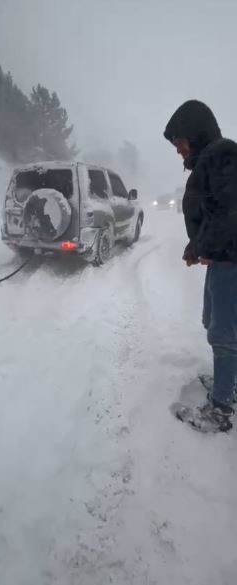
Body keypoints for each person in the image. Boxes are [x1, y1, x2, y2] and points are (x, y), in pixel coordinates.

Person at [164, 100, 237, 432]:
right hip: (222, 258)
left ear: (195, 133)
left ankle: (221, 408)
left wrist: (203, 246)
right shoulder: (211, 160)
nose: (179, 151)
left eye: (180, 142)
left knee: (224, 333)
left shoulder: (223, 154)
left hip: (231, 260)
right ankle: (228, 379)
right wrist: (197, 246)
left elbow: (230, 211)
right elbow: (213, 214)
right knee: (214, 322)